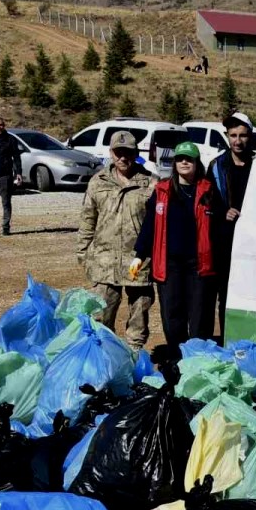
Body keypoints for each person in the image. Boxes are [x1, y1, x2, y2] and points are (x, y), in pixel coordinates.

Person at [131, 141, 216, 349]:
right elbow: (149, 224)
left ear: (197, 163)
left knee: (199, 316)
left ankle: (198, 357)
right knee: (172, 314)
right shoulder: (162, 191)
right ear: (174, 163)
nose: (184, 162)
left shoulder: (208, 191)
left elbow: (219, 228)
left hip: (199, 265)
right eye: (180, 159)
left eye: (189, 158)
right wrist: (139, 254)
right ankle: (176, 358)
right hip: (169, 264)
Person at [77, 130, 157, 351]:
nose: (123, 157)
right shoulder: (97, 182)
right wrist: (83, 254)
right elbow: (87, 219)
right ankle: (105, 359)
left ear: (136, 153)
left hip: (138, 262)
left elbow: (158, 226)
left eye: (128, 152)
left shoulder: (150, 183)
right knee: (101, 316)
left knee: (139, 316)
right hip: (104, 262)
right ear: (111, 153)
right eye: (118, 152)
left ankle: (133, 358)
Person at [207, 112, 256, 343]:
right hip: (224, 242)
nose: (238, 140)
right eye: (233, 135)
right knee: (223, 295)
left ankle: (246, 339)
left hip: (253, 243)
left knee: (249, 295)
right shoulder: (217, 166)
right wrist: (221, 212)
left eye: (243, 135)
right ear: (227, 137)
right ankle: (225, 340)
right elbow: (208, 202)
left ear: (250, 137)